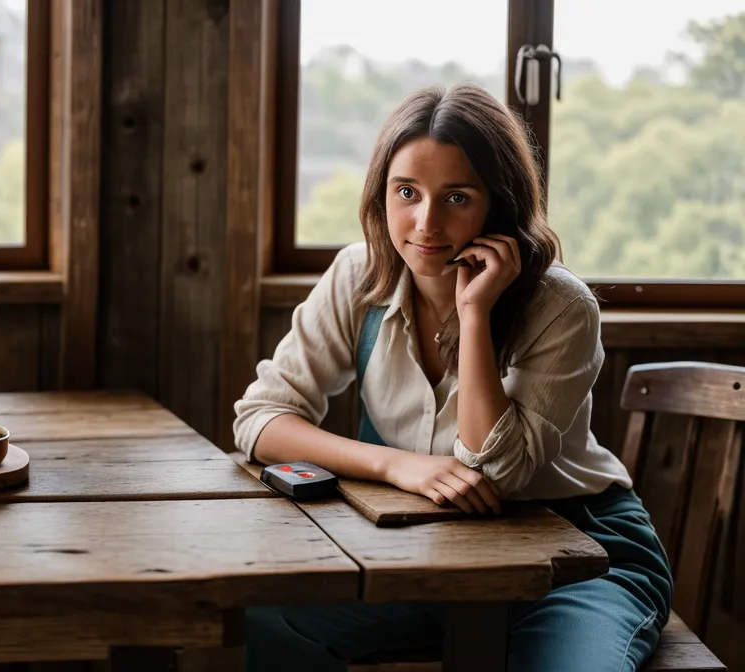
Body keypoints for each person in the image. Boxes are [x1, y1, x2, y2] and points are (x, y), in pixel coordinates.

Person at [234, 83, 672, 671]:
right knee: (277, 621)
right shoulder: (359, 276)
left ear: (499, 203)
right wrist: (395, 464)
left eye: (458, 197)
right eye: (406, 192)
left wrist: (475, 314)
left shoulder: (560, 305)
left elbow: (493, 471)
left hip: (580, 556)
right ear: (380, 194)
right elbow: (260, 419)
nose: (426, 222)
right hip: (429, 548)